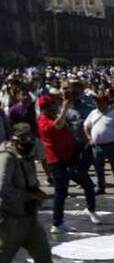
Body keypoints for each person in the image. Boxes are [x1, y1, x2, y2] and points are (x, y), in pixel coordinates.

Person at [0, 123, 71, 263]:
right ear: (14, 140)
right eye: (24, 139)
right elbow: (3, 188)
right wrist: (27, 196)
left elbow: (29, 180)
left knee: (43, 254)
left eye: (30, 139)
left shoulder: (26, 155)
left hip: (29, 217)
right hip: (11, 220)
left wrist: (36, 192)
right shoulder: (7, 157)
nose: (29, 143)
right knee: (3, 259)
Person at [37, 95, 99, 233]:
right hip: (57, 161)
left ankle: (90, 209)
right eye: (52, 105)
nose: (55, 107)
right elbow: (56, 127)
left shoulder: (54, 117)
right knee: (61, 192)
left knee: (88, 184)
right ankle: (57, 223)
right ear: (45, 108)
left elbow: (66, 130)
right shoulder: (43, 120)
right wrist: (65, 109)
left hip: (69, 159)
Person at [83, 93, 114, 195]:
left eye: (100, 101)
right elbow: (86, 126)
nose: (98, 103)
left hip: (111, 145)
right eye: (97, 101)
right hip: (97, 146)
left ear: (105, 102)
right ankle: (101, 187)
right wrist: (89, 138)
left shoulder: (113, 114)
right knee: (98, 168)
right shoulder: (93, 113)